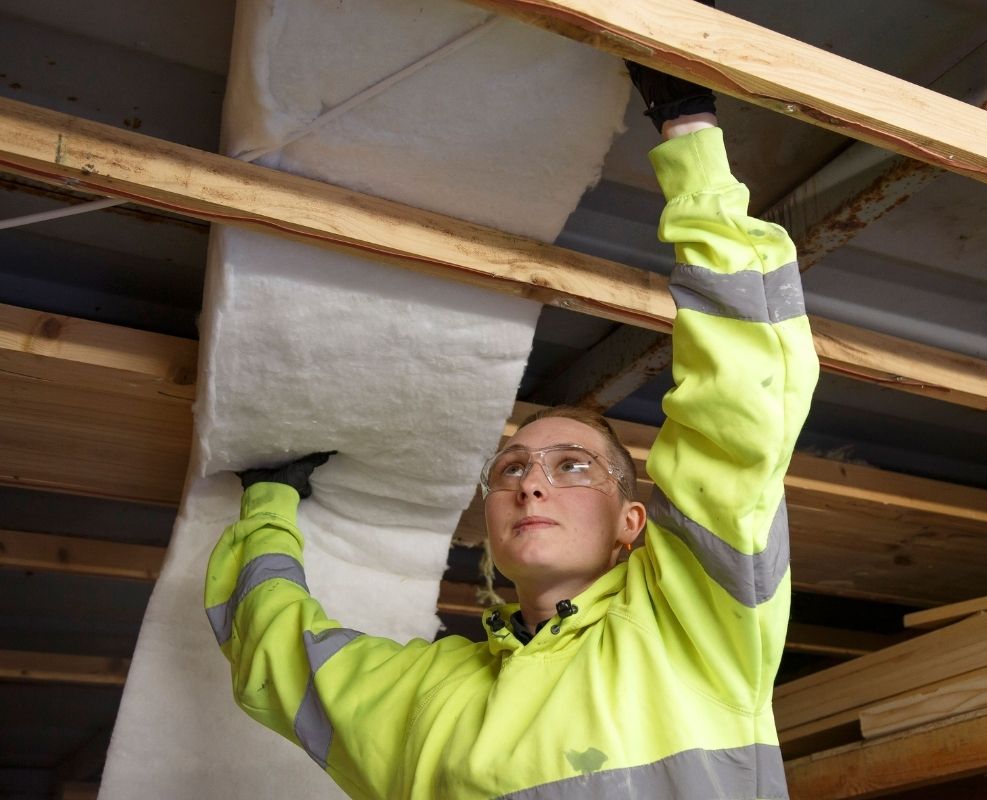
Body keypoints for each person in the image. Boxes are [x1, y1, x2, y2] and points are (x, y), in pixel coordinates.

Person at [205, 42, 819, 800]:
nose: (532, 485)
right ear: (487, 526)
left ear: (634, 520)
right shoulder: (424, 700)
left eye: (571, 466)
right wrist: (270, 500)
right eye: (511, 471)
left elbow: (743, 405)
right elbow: (274, 653)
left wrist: (689, 135)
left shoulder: (692, 633)